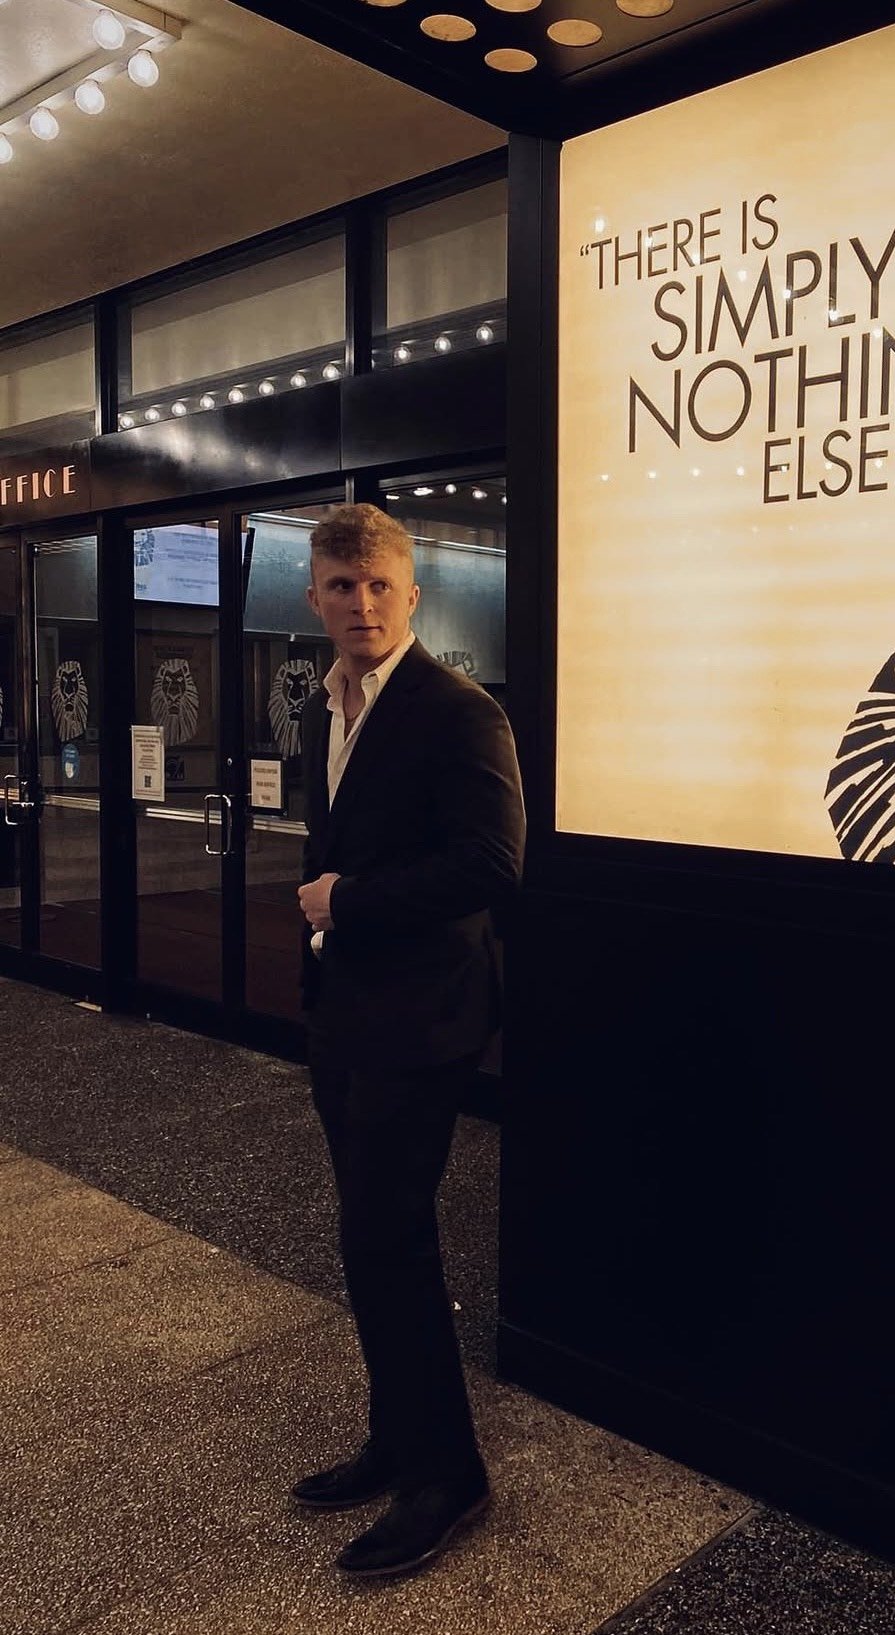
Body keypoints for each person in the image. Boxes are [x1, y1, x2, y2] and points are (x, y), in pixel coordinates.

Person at [290, 502, 525, 1579]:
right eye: (343, 585)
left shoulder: (459, 711)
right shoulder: (320, 708)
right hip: (347, 1014)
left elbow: (490, 867)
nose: (363, 603)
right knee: (366, 1239)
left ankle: (448, 1474)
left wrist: (348, 898)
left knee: (391, 1238)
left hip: (424, 1018)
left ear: (414, 592)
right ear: (315, 595)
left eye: (381, 584)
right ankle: (399, 1435)